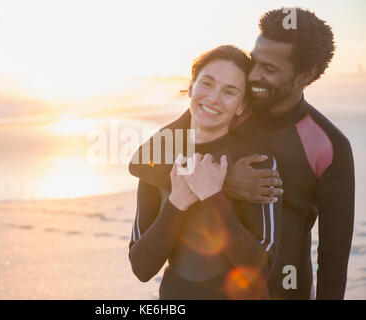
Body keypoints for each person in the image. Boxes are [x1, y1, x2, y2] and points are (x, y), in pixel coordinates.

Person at [128, 45, 282, 299]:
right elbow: (142, 267)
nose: (213, 98)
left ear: (242, 106)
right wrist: (178, 201)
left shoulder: (255, 163)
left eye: (229, 92)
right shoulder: (159, 160)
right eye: (206, 84)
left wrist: (213, 195)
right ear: (191, 87)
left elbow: (261, 268)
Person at [226, 8, 355, 300]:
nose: (253, 75)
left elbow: (334, 253)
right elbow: (149, 160)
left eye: (269, 69)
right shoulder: (226, 108)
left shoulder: (330, 145)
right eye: (253, 61)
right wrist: (223, 180)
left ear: (305, 75)